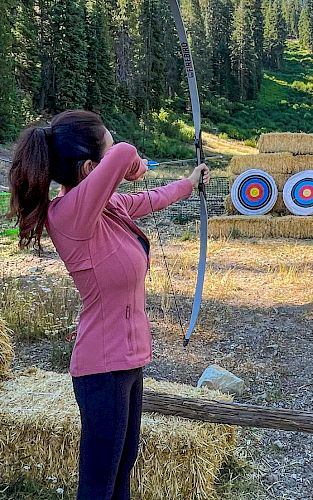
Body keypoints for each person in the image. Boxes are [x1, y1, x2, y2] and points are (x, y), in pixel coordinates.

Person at [8, 109, 210, 499]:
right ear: (88, 169)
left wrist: (187, 183)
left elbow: (151, 198)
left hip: (128, 363)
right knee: (98, 487)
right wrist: (130, 164)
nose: (115, 147)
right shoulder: (69, 216)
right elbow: (125, 155)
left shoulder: (106, 208)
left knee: (120, 475)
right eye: (108, 141)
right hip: (103, 369)